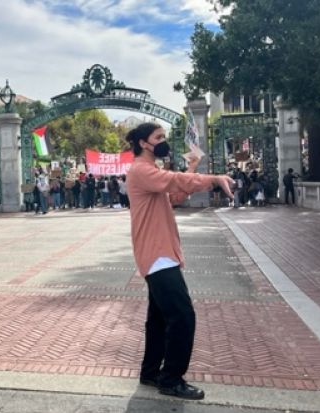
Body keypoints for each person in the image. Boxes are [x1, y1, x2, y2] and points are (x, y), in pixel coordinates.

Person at [125, 122, 234, 400]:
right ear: (142, 143)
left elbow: (174, 195)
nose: (163, 141)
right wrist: (213, 179)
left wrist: (193, 168)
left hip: (160, 252)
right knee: (183, 316)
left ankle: (151, 372)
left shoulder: (151, 172)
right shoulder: (140, 170)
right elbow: (173, 182)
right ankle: (171, 378)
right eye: (158, 137)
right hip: (157, 254)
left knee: (159, 318)